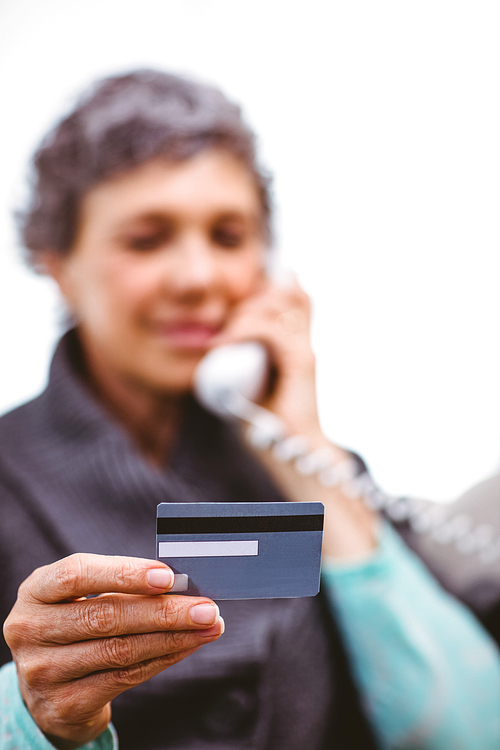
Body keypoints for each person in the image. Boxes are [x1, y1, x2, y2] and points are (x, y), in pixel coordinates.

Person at [0, 69, 499, 750]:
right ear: (54, 259)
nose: (199, 278)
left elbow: (468, 727)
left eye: (229, 236)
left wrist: (307, 455)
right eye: (147, 239)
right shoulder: (10, 481)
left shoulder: (313, 466)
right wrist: (29, 714)